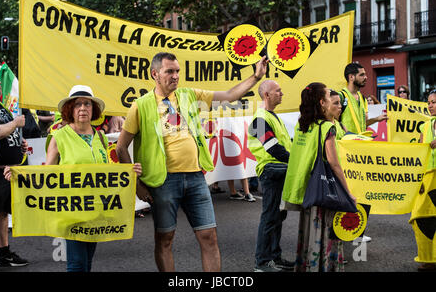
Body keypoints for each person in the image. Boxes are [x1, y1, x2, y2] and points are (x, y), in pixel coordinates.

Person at [116, 52, 268, 272]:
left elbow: (227, 96)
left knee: (209, 237)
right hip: (162, 181)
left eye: (177, 71)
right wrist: (137, 185)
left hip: (196, 177)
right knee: (165, 239)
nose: (175, 76)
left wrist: (256, 77)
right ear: (155, 74)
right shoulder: (140, 105)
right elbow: (121, 147)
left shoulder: (188, 95)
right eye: (169, 71)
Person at [43, 85, 142, 272]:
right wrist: (18, 175)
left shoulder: (101, 138)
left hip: (96, 210)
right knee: (76, 263)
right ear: (70, 109)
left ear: (93, 109)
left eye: (87, 104)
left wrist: (128, 171)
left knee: (87, 262)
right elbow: (47, 174)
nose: (82, 108)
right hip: (72, 210)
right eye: (77, 104)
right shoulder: (58, 137)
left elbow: (106, 172)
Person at [281, 83, 357, 272]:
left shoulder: (302, 124)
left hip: (307, 187)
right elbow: (334, 163)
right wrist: (348, 192)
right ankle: (322, 267)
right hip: (324, 189)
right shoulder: (326, 127)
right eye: (329, 97)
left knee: (308, 232)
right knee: (325, 232)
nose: (333, 101)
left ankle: (307, 266)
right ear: (322, 102)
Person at [248, 80, 294, 272]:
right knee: (270, 217)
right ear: (266, 94)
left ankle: (274, 258)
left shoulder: (271, 117)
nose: (282, 94)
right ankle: (262, 262)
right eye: (278, 91)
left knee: (277, 216)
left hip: (278, 170)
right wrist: (296, 163)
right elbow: (273, 148)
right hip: (271, 171)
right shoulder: (258, 119)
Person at [339, 63, 387, 242]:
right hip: (346, 153)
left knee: (364, 192)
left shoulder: (360, 96)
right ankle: (344, 231)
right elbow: (334, 121)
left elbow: (363, 121)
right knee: (348, 193)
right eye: (362, 74)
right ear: (351, 77)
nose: (366, 77)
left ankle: (358, 231)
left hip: (360, 152)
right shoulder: (341, 97)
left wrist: (377, 119)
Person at [0, 70, 29, 271]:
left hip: (6, 170)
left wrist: (18, 142)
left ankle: (3, 254)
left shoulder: (0, 106)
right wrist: (15, 124)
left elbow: (7, 131)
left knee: (1, 213)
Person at [413, 89, 436, 272]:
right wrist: (418, 180)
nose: (430, 105)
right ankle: (428, 258)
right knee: (420, 217)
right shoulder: (425, 126)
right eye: (429, 102)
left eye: (434, 102)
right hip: (428, 177)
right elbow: (420, 154)